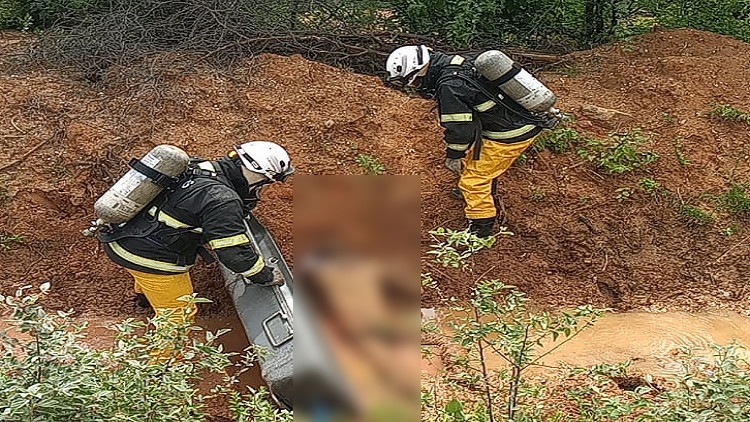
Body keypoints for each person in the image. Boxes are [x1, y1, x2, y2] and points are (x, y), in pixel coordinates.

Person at [99, 141, 295, 324]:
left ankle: (146, 300)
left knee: (149, 280)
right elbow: (234, 254)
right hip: (148, 258)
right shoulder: (222, 200)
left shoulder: (199, 166)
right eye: (266, 182)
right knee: (179, 318)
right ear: (260, 175)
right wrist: (264, 275)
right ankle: (163, 350)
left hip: (124, 237)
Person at [385, 45, 557, 237]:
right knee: (473, 160)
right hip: (512, 122)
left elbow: (460, 127)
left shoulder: (450, 85)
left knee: (474, 181)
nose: (419, 86)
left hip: (510, 134)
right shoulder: (458, 62)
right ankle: (474, 194)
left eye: (416, 82)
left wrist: (454, 155)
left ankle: (481, 230)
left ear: (421, 70)